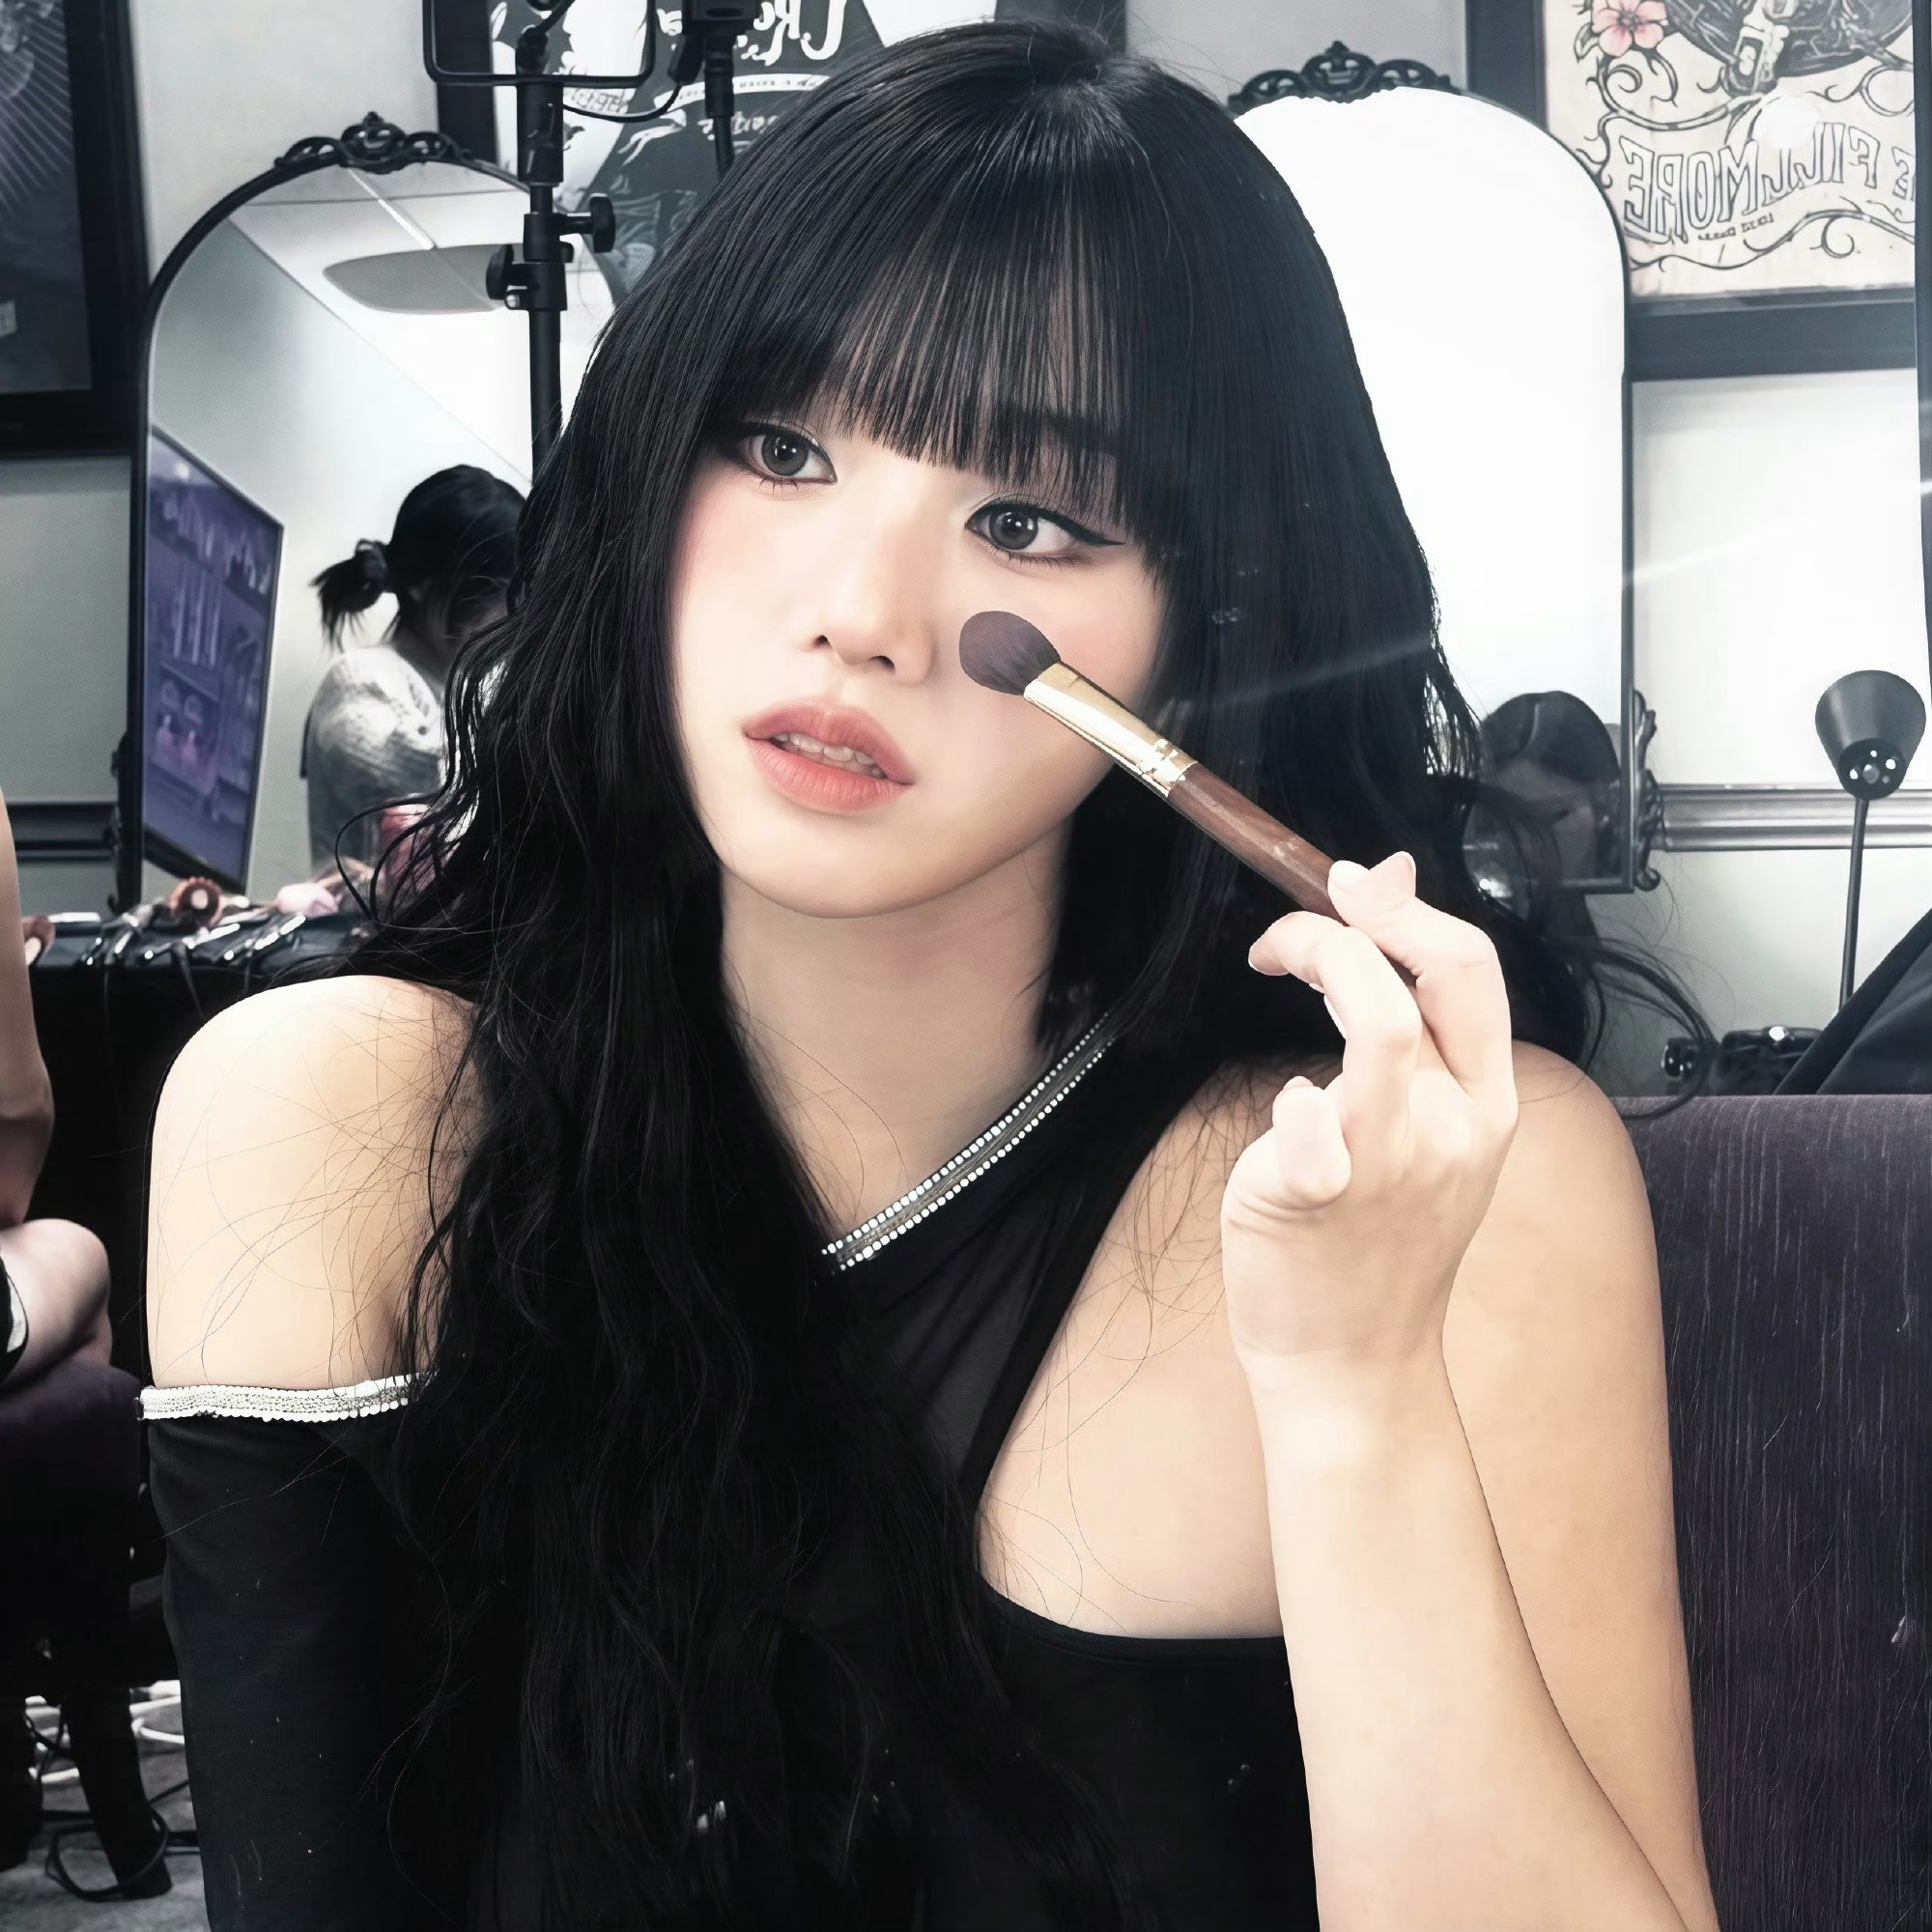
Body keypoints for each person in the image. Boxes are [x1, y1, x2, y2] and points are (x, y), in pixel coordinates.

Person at [144, 26, 1721, 1932]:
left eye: (1027, 520)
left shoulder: (1456, 1185)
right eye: (782, 448)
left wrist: (1358, 1387)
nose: (861, 611)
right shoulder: (338, 1125)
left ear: (1199, 633)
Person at [302, 466, 524, 872]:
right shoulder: (359, 678)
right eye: (491, 590)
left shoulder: (468, 687)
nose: (506, 613)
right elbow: (436, 789)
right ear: (423, 584)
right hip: (367, 914)